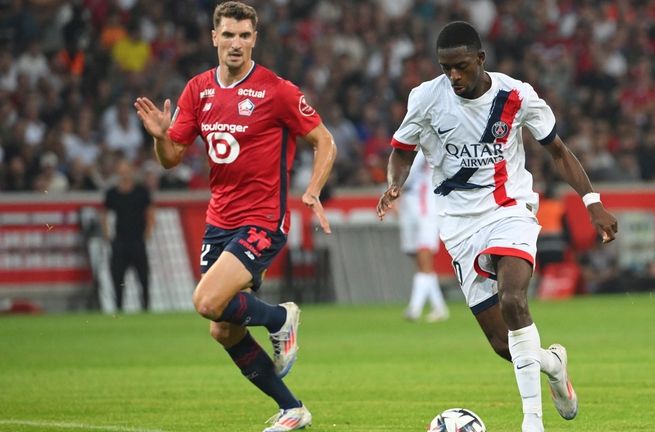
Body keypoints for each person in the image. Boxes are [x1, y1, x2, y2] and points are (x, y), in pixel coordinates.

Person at [376, 22, 618, 432]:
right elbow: (401, 151)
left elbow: (558, 152)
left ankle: (532, 422)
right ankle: (553, 365)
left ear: (480, 60)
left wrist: (592, 202)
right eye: (445, 68)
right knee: (503, 344)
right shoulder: (425, 99)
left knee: (513, 301)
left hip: (510, 210)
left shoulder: (516, 95)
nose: (453, 76)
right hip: (458, 225)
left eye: (461, 66)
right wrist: (395, 183)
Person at [133, 2, 336, 431]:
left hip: (263, 218)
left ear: (254, 40)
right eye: (228, 35)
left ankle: (280, 318)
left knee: (206, 302)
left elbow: (324, 140)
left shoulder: (276, 90)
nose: (236, 44)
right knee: (222, 328)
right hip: (219, 220)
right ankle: (292, 409)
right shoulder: (197, 90)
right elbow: (171, 158)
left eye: (244, 36)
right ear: (214, 37)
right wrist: (159, 137)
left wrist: (313, 189)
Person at [399, 151, 450, 322]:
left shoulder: (427, 145)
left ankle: (414, 309)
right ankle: (439, 307)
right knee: (421, 263)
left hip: (426, 210)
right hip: (411, 206)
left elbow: (407, 172)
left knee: (424, 258)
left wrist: (393, 187)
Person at [101, 158, 154, 311]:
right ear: (118, 172)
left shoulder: (141, 192)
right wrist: (107, 234)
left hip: (137, 240)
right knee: (117, 277)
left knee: (143, 277)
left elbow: (150, 211)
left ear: (131, 171)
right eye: (121, 171)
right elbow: (104, 213)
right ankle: (118, 307)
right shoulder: (112, 193)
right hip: (120, 240)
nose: (124, 174)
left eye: (127, 170)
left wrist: (148, 232)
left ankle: (145, 307)